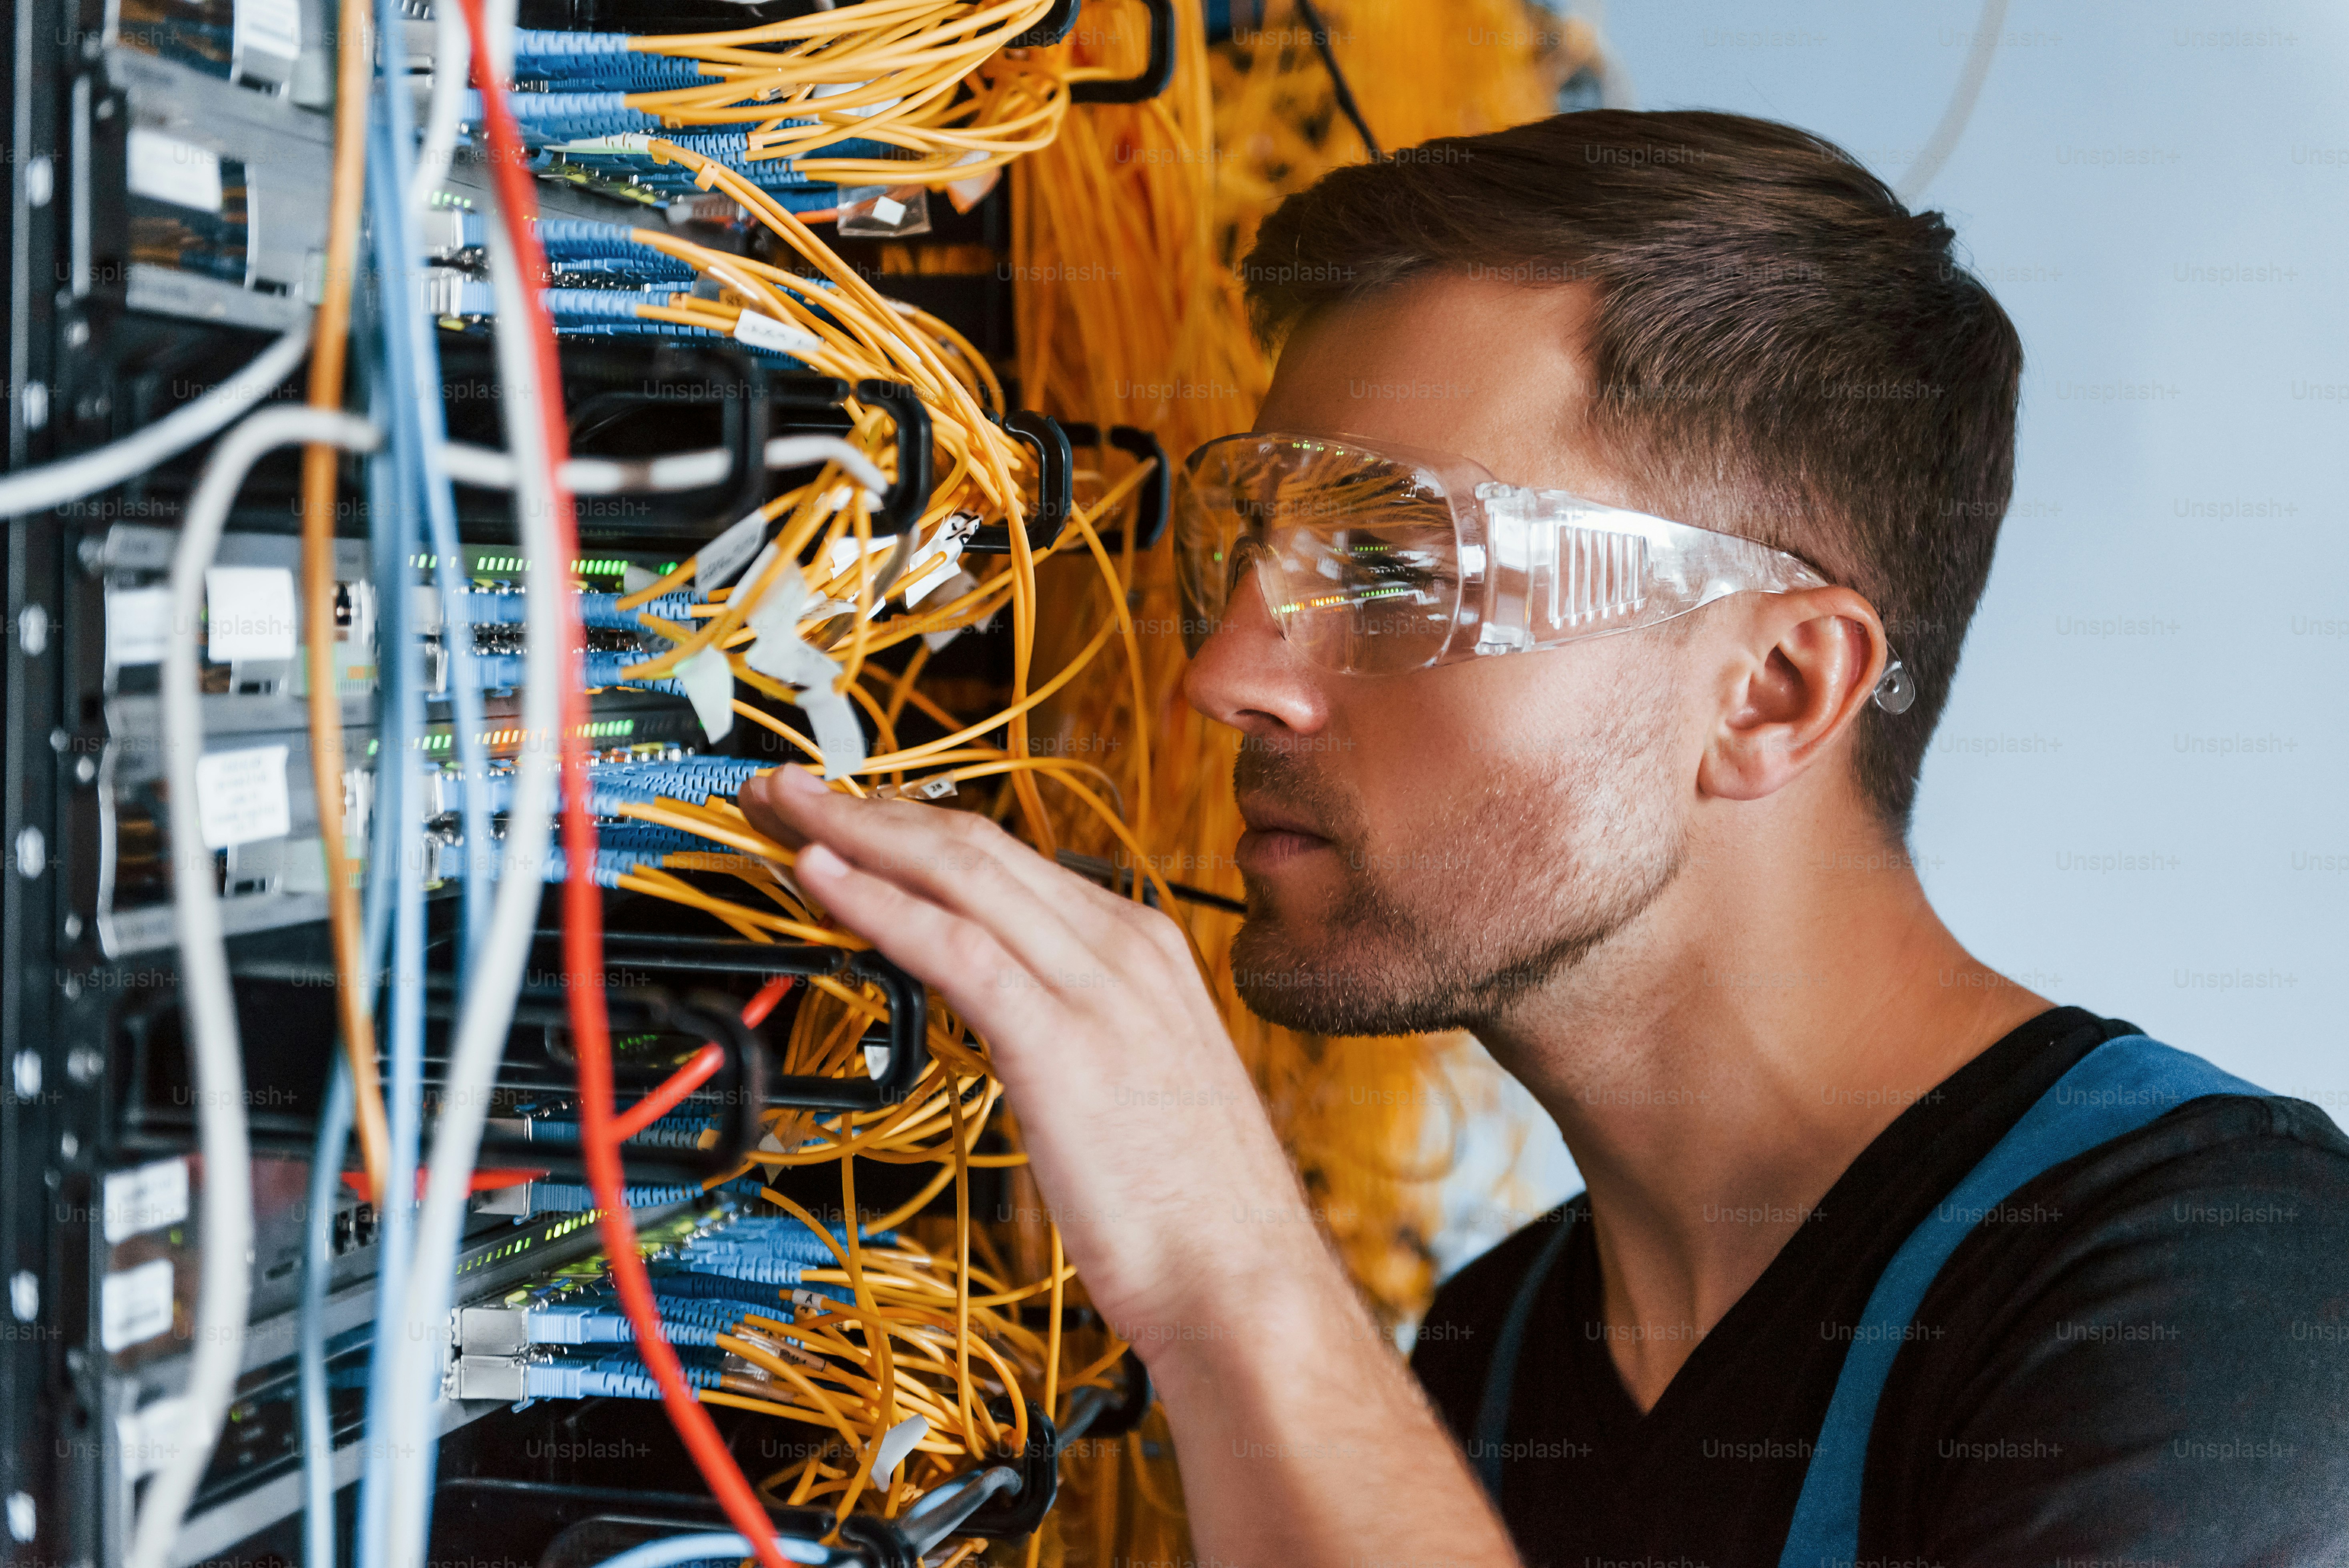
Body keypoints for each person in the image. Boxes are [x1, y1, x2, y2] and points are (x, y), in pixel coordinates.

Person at [739, 110, 2349, 1567]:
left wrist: (1234, 1272)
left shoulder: (2226, 1289)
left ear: (1775, 690)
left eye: (1394, 567)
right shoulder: (1494, 1360)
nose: (1225, 675)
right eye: (1250, 552)